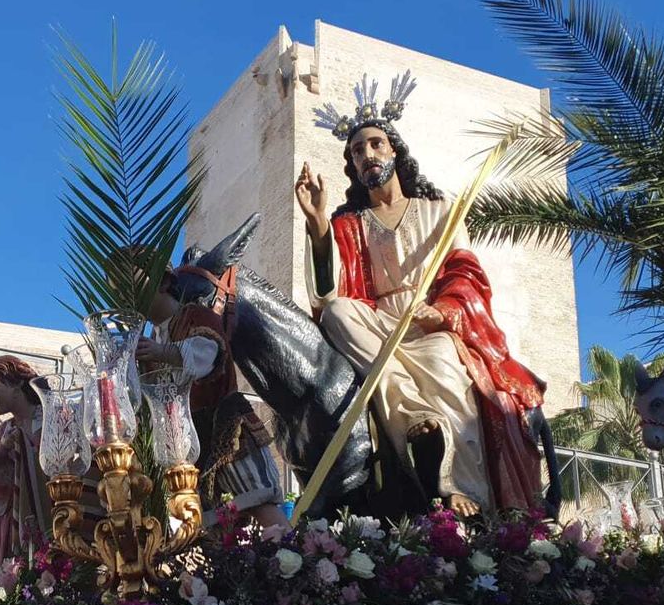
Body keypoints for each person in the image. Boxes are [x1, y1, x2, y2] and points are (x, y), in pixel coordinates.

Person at [298, 73, 547, 516]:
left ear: (394, 150)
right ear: (352, 166)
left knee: (445, 369)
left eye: (375, 144)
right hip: (374, 326)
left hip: (427, 320)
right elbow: (323, 296)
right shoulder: (347, 225)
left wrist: (445, 312)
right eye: (357, 151)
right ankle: (414, 421)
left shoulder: (441, 212)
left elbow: (465, 272)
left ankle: (463, 489)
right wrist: (318, 224)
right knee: (338, 312)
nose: (367, 155)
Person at [137, 273, 287, 529]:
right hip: (192, 444)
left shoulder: (194, 315)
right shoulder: (153, 337)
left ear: (162, 282)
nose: (131, 294)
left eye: (135, 281)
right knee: (207, 526)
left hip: (227, 429)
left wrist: (163, 352)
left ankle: (290, 560)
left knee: (260, 503)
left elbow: (209, 352)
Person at [0, 356, 52, 566]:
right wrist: (2, 447)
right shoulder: (5, 431)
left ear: (15, 382)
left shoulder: (51, 420)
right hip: (14, 523)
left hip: (52, 513)